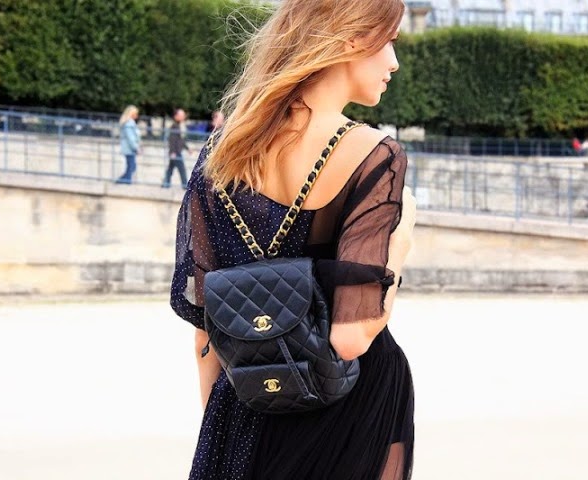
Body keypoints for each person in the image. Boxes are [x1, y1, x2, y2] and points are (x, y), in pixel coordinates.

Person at [170, 1, 417, 479]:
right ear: (352, 39)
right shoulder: (372, 154)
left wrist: (222, 428)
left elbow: (206, 327)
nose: (394, 62)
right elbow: (351, 336)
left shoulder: (223, 151)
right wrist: (400, 241)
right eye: (389, 41)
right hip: (346, 404)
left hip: (243, 402)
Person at [163, 108, 190, 188]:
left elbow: (181, 140)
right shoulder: (174, 126)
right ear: (176, 116)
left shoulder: (179, 126)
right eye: (181, 115)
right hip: (175, 152)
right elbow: (172, 140)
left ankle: (166, 183)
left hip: (176, 151)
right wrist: (172, 152)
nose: (183, 117)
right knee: (182, 169)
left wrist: (187, 148)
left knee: (170, 169)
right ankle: (185, 185)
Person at [116, 105, 141, 184]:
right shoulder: (129, 124)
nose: (137, 116)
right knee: (131, 166)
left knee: (131, 166)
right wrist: (136, 148)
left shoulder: (130, 123)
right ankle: (125, 181)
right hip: (129, 148)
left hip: (129, 148)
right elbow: (131, 138)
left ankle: (123, 180)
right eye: (135, 114)